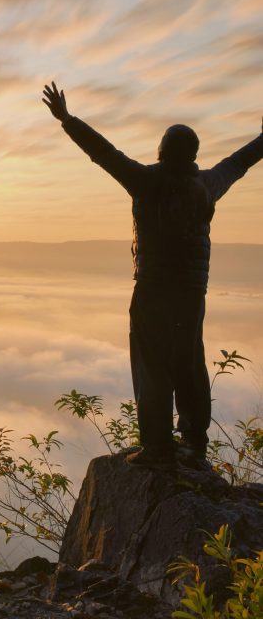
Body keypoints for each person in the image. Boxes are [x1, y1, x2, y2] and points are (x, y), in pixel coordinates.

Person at [42, 81, 263, 469]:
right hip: (193, 293)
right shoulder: (208, 185)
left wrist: (67, 120)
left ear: (161, 152)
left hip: (152, 291)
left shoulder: (146, 181)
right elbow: (240, 162)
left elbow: (105, 153)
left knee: (151, 365)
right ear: (193, 154)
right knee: (190, 360)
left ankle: (158, 447)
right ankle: (194, 443)